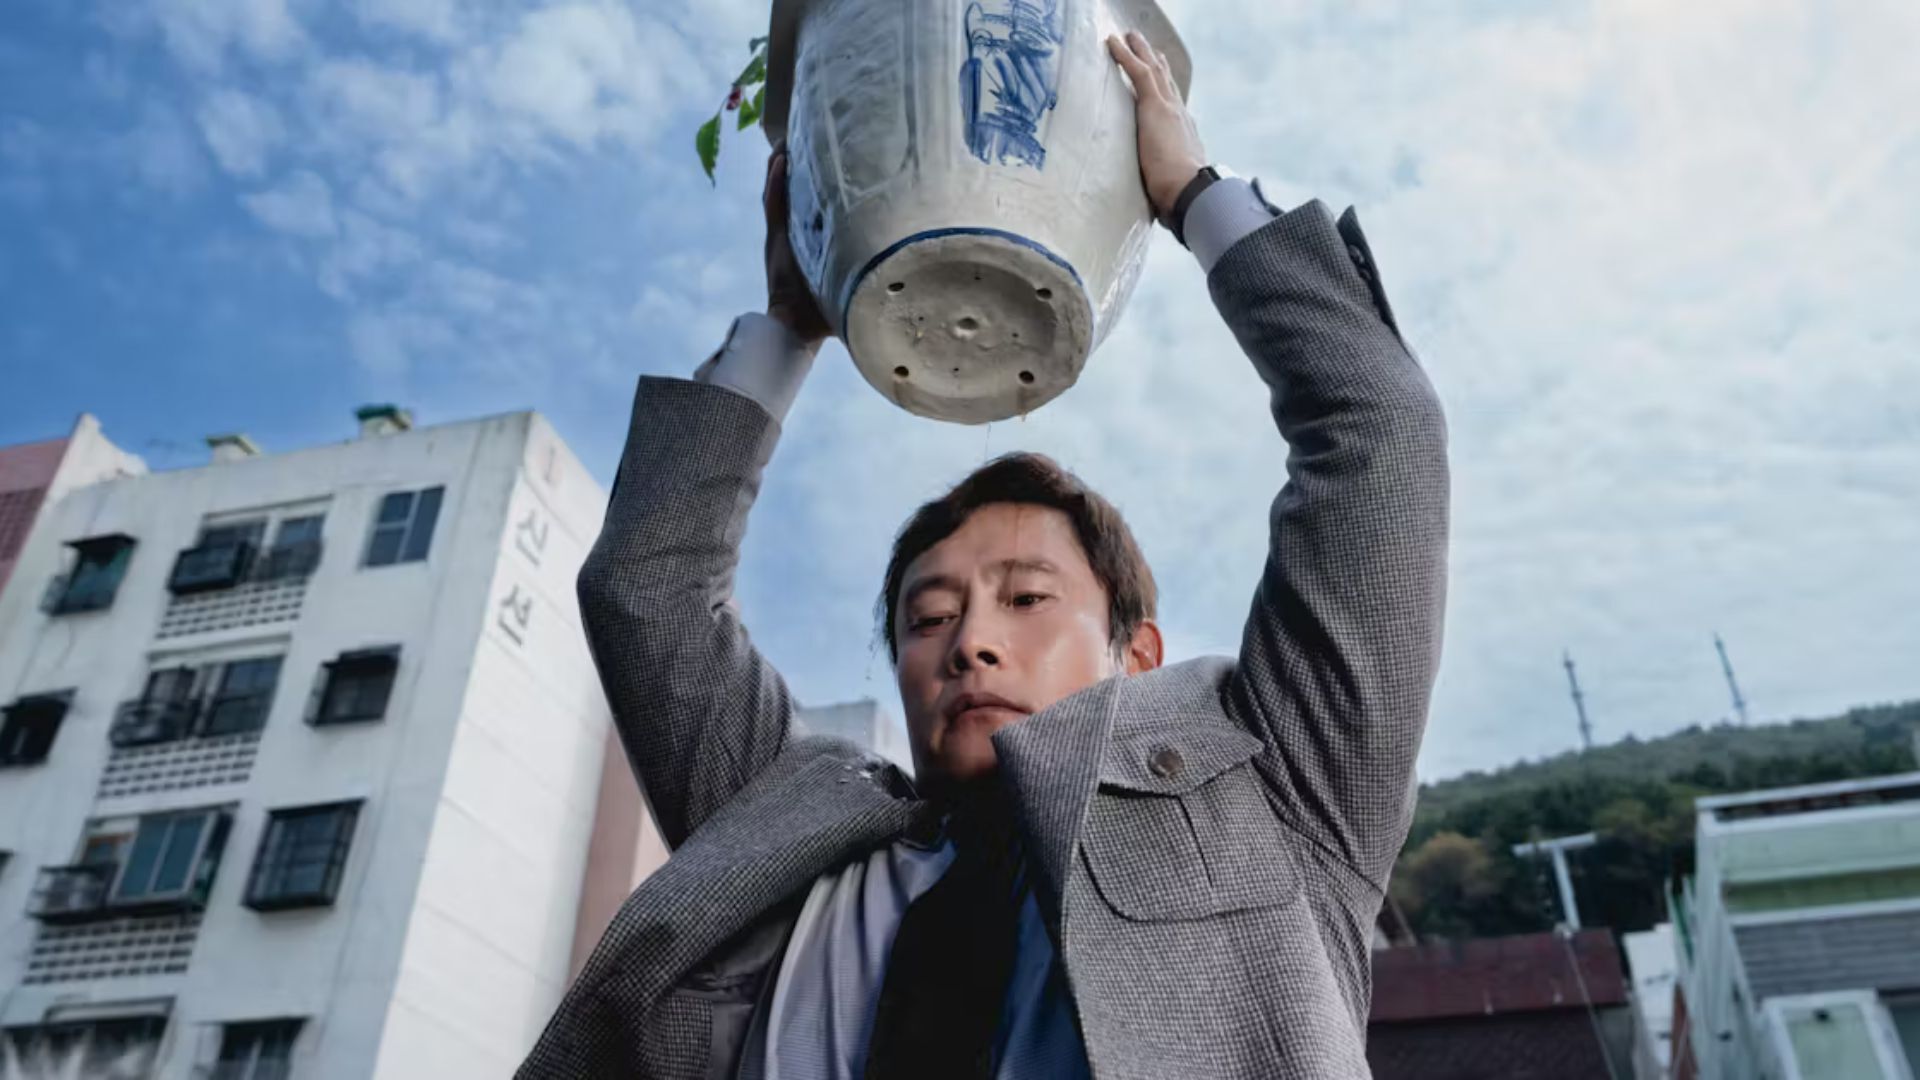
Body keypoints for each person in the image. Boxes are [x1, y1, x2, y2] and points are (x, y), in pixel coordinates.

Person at [519, 30, 1448, 1080]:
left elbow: (1380, 432)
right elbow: (646, 589)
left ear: (1136, 654)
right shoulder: (780, 825)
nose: (969, 644)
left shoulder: (1282, 786)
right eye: (928, 618)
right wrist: (789, 322)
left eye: (1028, 598)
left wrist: (1192, 194)